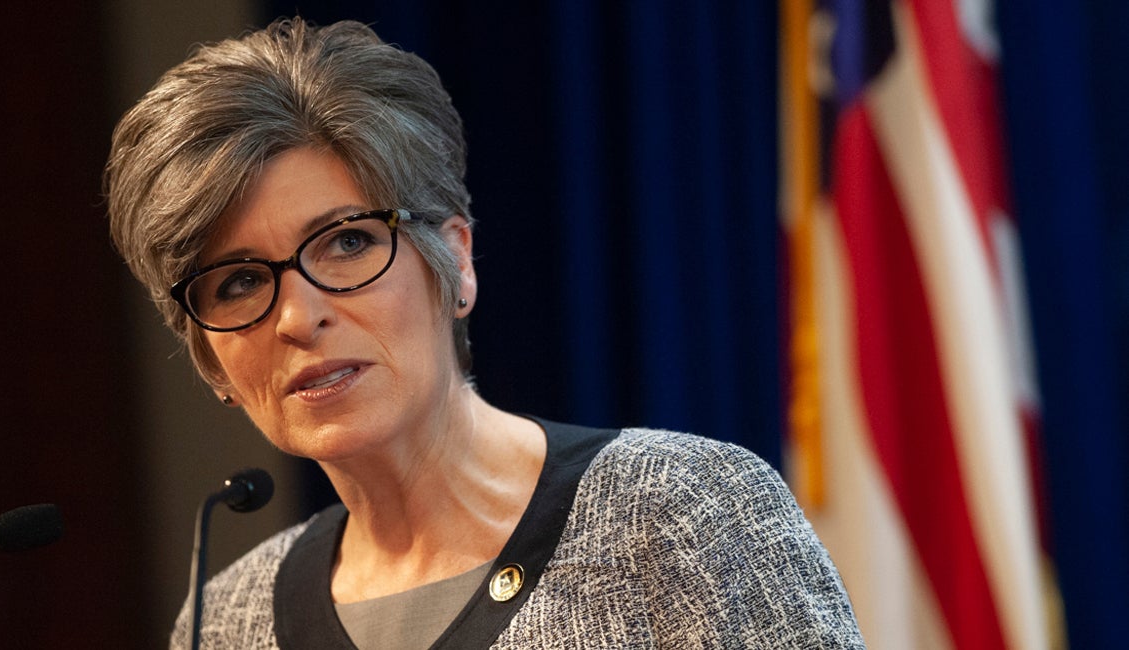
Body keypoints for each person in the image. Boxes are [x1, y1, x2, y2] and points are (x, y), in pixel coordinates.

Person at [105, 16, 864, 650]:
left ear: (456, 262)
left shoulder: (683, 515)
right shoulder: (228, 623)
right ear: (211, 360)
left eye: (347, 242)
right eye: (238, 283)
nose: (299, 318)